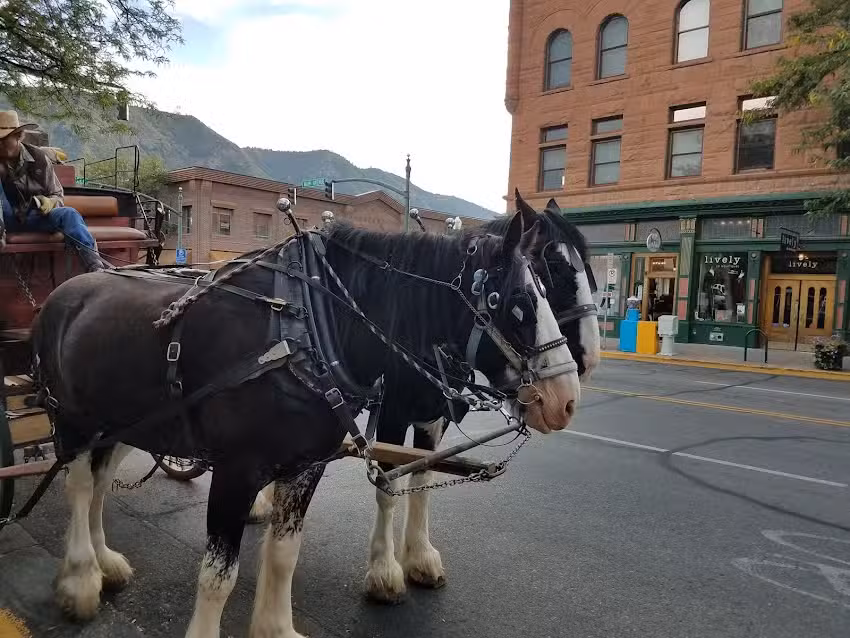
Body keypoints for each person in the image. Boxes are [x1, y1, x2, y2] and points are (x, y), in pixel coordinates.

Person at [0, 110, 109, 271]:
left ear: (18, 136)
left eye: (3, 140)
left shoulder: (38, 158)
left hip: (33, 217)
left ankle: (95, 267)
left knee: (69, 213)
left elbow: (57, 195)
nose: (0, 144)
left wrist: (50, 202)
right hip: (5, 220)